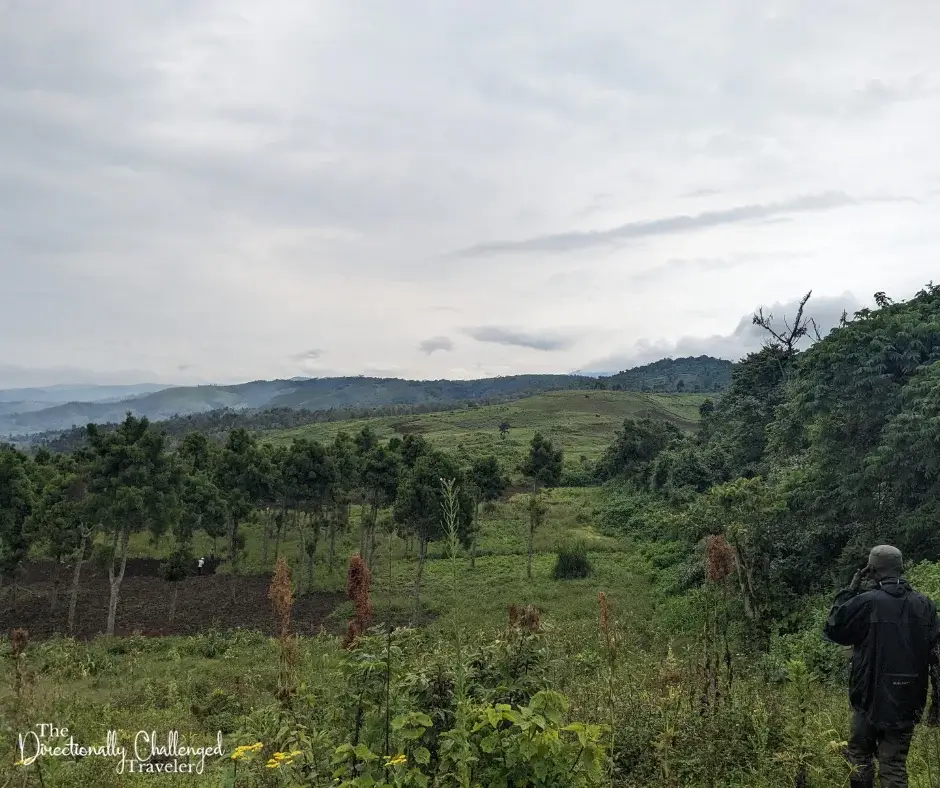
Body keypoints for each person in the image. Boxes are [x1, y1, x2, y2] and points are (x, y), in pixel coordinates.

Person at [824, 545, 940, 788]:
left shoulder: (866, 602)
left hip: (869, 699)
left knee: (860, 757)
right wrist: (936, 704)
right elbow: (936, 657)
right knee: (894, 764)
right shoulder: (925, 606)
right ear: (901, 569)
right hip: (908, 701)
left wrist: (851, 589)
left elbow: (834, 628)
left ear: (872, 570)